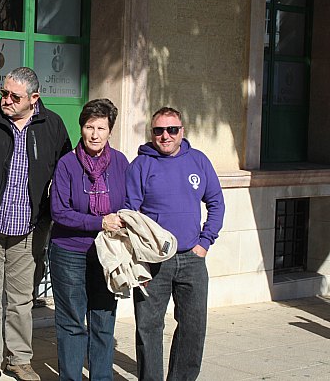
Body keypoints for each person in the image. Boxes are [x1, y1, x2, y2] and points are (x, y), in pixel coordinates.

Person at [0, 67, 71, 381]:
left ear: (34, 98)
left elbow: (64, 173)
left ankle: (19, 359)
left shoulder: (52, 125)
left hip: (29, 227)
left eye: (15, 96)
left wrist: (50, 217)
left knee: (21, 299)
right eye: (4, 93)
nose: (6, 100)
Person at [125, 107, 225, 381]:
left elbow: (216, 203)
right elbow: (129, 214)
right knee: (148, 327)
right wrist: (139, 256)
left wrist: (204, 243)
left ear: (182, 131)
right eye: (159, 130)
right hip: (154, 261)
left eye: (172, 129)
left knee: (193, 326)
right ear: (152, 133)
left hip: (192, 258)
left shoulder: (198, 161)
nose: (165, 136)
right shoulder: (141, 165)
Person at [49, 99, 129, 380]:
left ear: (110, 131)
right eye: (89, 127)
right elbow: (59, 212)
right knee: (72, 323)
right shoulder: (67, 164)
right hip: (70, 251)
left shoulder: (120, 162)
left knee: (104, 320)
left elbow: (130, 203)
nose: (94, 134)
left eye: (101, 128)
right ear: (81, 128)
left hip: (108, 253)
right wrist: (99, 222)